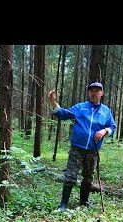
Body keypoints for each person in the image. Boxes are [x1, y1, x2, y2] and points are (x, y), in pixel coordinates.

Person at [48, 82, 116, 211]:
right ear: (88, 93)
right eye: (91, 91)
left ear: (101, 93)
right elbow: (63, 114)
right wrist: (53, 102)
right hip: (77, 149)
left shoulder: (106, 111)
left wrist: (104, 131)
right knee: (70, 175)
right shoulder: (81, 107)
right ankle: (63, 204)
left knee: (88, 176)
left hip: (93, 150)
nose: (94, 93)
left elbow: (112, 126)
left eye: (97, 91)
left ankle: (84, 201)